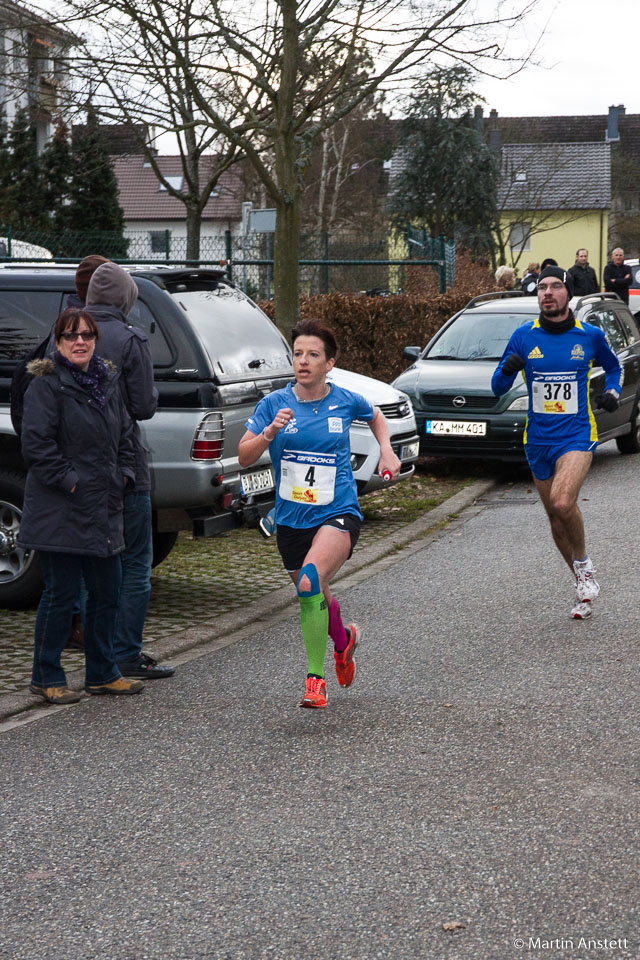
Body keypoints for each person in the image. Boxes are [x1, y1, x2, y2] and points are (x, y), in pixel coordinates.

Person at [238, 318, 401, 708]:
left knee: (310, 582)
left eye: (313, 355)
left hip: (337, 511)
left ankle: (315, 680)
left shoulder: (344, 400)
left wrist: (386, 450)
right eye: (298, 354)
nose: (303, 361)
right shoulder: (273, 405)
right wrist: (269, 433)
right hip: (291, 519)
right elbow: (244, 456)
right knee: (315, 593)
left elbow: (375, 415)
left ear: (329, 363)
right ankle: (344, 642)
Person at [19, 308, 144, 702]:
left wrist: (125, 474)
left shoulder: (107, 382)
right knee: (61, 594)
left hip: (103, 507)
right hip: (61, 509)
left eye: (87, 335)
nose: (80, 342)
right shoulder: (46, 385)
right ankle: (46, 676)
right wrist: (71, 482)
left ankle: (103, 673)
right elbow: (37, 445)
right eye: (71, 335)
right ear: (57, 343)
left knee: (107, 591)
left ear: (95, 341)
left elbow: (125, 435)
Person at [491, 266, 623, 620]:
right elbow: (497, 387)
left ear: (568, 293)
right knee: (554, 517)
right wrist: (507, 370)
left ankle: (584, 565)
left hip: (577, 434)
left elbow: (614, 368)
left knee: (563, 502)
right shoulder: (523, 336)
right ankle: (581, 582)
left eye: (555, 286)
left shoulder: (589, 335)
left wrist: (613, 392)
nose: (547, 292)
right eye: (542, 287)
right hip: (538, 439)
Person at [85, 262, 174, 680]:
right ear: (126, 298)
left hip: (79, 469)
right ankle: (125, 653)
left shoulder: (64, 334)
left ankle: (96, 654)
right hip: (125, 465)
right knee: (136, 561)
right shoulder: (130, 338)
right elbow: (143, 405)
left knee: (91, 563)